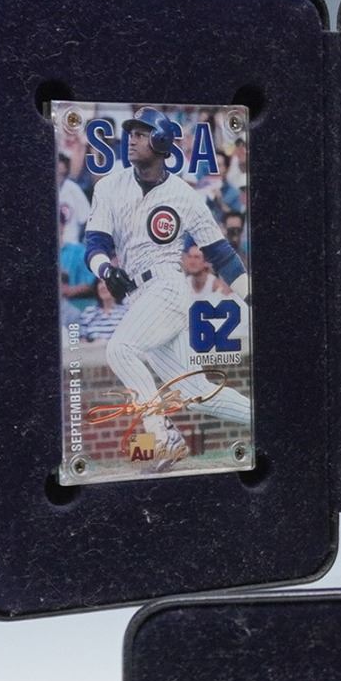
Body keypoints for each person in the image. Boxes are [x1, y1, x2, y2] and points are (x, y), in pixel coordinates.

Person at [82, 110, 252, 470]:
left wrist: (253, 299)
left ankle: (163, 437)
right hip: (137, 296)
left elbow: (221, 255)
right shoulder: (109, 186)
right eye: (130, 132)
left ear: (160, 141)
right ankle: (269, 419)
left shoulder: (183, 194)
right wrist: (105, 269)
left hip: (167, 287)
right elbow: (95, 244)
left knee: (120, 349)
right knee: (200, 394)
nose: (131, 139)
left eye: (141, 133)